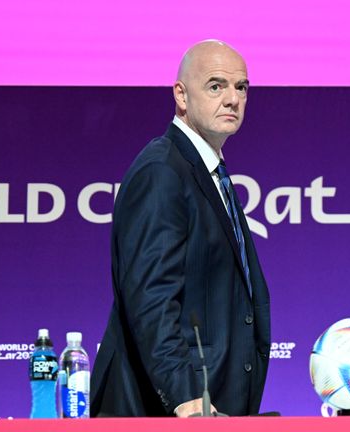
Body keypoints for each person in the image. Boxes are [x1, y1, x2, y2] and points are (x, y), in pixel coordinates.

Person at [89, 40, 271, 417]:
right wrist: (187, 398)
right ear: (181, 96)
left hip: (214, 407)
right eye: (216, 85)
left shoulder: (208, 172)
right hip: (165, 411)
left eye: (242, 88)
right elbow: (150, 297)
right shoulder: (163, 171)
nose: (233, 99)